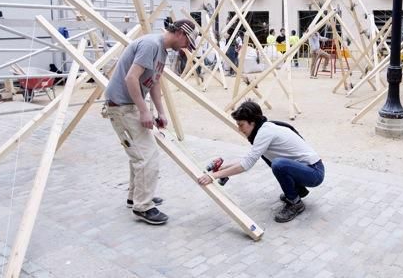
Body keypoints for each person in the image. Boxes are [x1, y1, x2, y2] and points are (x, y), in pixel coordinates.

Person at [105, 19, 197, 225]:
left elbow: (154, 82)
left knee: (140, 154)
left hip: (130, 105)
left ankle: (136, 197)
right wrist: (145, 111)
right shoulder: (151, 45)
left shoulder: (162, 51)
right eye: (187, 42)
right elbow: (131, 78)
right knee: (147, 156)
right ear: (180, 33)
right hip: (121, 106)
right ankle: (143, 206)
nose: (185, 47)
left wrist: (161, 112)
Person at [197, 101, 325, 223]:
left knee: (278, 164)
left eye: (241, 125)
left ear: (252, 122)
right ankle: (297, 191)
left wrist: (212, 176)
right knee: (269, 158)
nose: (240, 129)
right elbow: (249, 158)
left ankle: (295, 203)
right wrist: (223, 169)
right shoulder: (264, 129)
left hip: (314, 173)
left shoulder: (265, 132)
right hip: (307, 169)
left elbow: (246, 165)